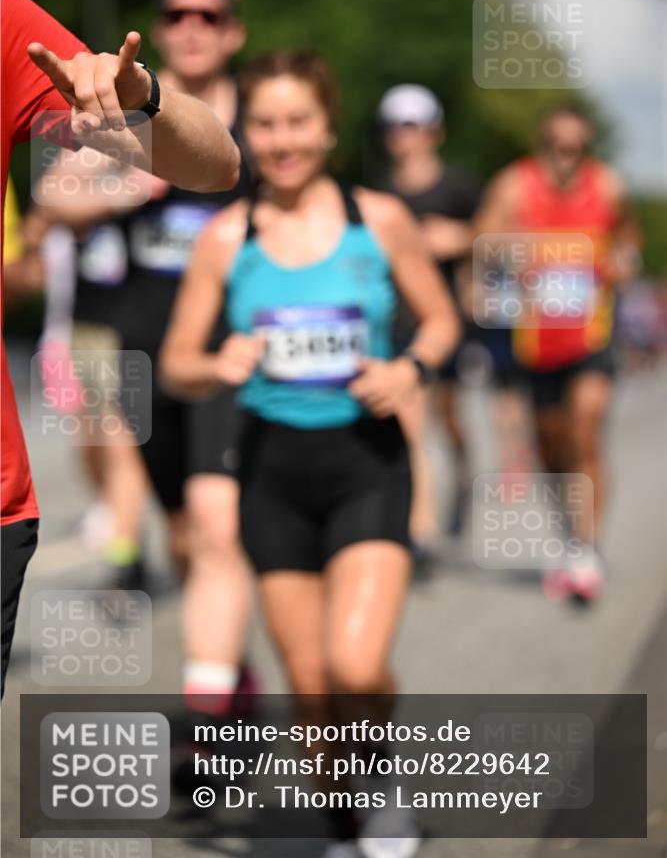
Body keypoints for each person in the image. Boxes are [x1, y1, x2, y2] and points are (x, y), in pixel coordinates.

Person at [161, 50, 459, 856]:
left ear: (328, 126)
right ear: (245, 133)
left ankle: (381, 780)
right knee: (313, 692)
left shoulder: (379, 221)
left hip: (367, 464)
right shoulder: (226, 237)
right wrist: (215, 364)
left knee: (354, 668)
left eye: (298, 121)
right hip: (272, 475)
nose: (281, 140)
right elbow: (177, 362)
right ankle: (343, 828)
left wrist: (410, 368)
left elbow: (441, 319)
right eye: (264, 123)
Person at [0, 0, 240, 695]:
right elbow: (57, 195)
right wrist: (121, 192)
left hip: (235, 349)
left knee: (216, 526)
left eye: (208, 16)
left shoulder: (266, 108)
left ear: (232, 30)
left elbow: (217, 164)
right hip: (138, 332)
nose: (192, 28)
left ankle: (219, 684)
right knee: (163, 497)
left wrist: (146, 100)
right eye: (177, 14)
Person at [476, 107, 641, 603]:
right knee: (551, 446)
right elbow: (483, 240)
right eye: (556, 146)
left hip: (592, 331)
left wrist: (624, 259)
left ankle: (587, 548)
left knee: (586, 427)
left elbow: (628, 236)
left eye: (576, 148)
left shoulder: (607, 185)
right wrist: (511, 250)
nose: (565, 157)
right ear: (542, 144)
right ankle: (568, 537)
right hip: (536, 335)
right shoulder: (514, 185)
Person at [374, 84, 487, 560]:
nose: (405, 136)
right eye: (396, 127)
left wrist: (462, 237)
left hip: (448, 320)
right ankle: (419, 531)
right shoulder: (381, 192)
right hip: (397, 319)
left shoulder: (459, 187)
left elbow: (496, 235)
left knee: (448, 417)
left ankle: (462, 473)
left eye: (413, 125)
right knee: (410, 421)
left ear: (433, 132)